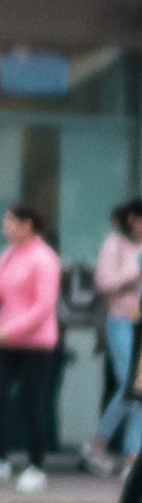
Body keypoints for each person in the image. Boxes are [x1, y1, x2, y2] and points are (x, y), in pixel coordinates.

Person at [0, 202, 62, 495]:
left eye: (9, 221)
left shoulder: (45, 259)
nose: (4, 227)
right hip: (6, 341)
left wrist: (12, 329)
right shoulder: (8, 254)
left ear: (27, 225)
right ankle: (0, 460)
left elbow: (43, 307)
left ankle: (36, 465)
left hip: (35, 344)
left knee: (31, 403)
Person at [87, 197, 141, 473]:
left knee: (139, 388)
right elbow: (104, 282)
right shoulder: (114, 244)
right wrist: (135, 269)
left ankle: (132, 455)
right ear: (133, 220)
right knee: (130, 384)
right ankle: (101, 444)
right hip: (121, 320)